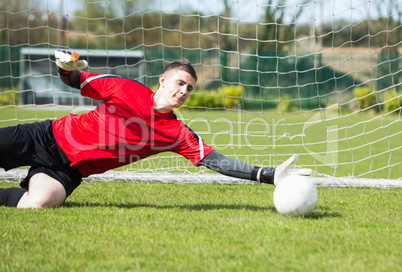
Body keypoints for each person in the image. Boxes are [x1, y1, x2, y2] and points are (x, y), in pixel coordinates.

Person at [0, 50, 311, 208]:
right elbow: (75, 79)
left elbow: (215, 160)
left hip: (69, 171)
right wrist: (64, 69)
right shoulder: (123, 88)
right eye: (179, 83)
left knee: (38, 203)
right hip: (47, 136)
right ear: (163, 80)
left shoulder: (176, 133)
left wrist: (267, 174)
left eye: (189, 88)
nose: (183, 91)